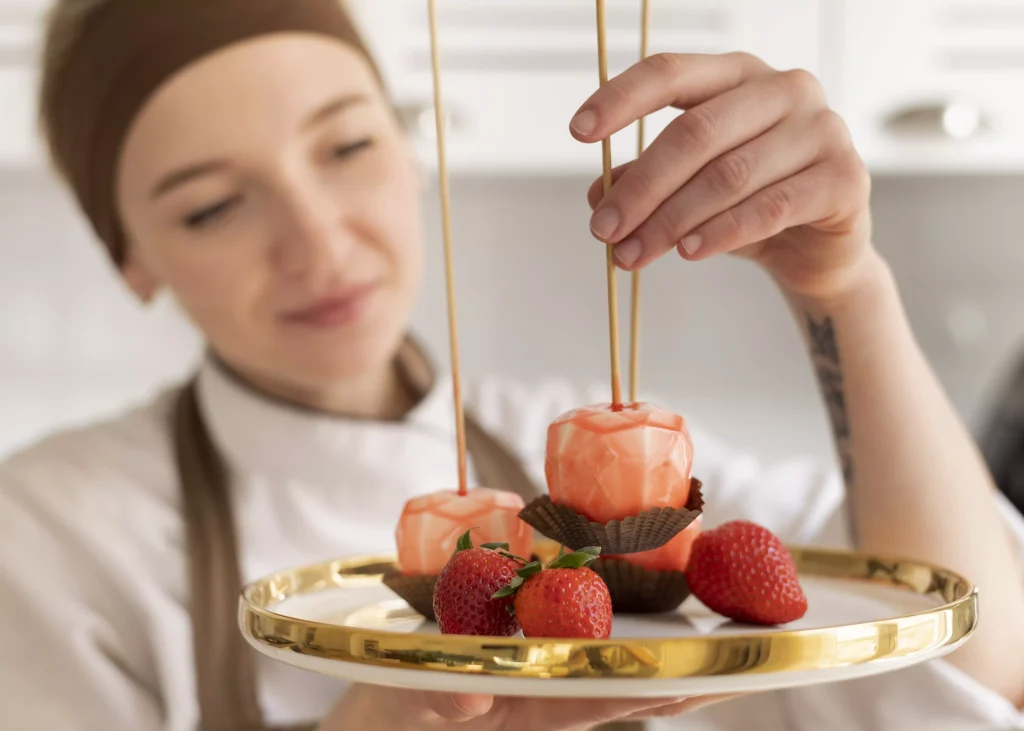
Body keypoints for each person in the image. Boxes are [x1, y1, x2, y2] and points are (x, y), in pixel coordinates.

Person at [2, 0, 1024, 729]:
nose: (318, 243)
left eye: (348, 146)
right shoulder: (50, 530)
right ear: (130, 255)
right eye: (212, 206)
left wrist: (845, 288)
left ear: (406, 148)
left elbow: (976, 662)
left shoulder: (608, 461)